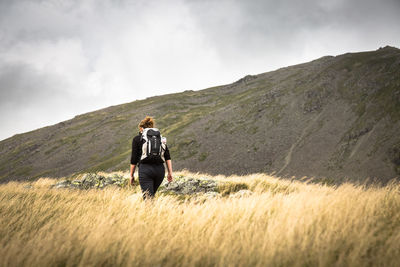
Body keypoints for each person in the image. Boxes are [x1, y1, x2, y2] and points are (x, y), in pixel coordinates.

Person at [129, 116, 173, 199]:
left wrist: (131, 175)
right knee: (151, 196)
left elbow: (134, 159)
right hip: (160, 171)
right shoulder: (160, 139)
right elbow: (167, 157)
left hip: (145, 170)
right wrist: (170, 173)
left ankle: (151, 211)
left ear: (141, 128)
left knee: (148, 199)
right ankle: (154, 211)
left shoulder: (137, 139)